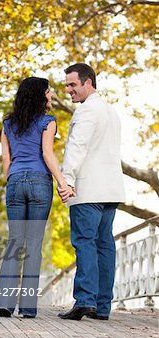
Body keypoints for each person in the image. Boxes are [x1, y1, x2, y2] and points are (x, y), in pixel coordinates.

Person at [0, 76, 74, 318]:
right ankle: (28, 308)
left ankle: (5, 304)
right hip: (40, 183)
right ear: (40, 95)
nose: (51, 96)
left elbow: (6, 161)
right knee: (34, 245)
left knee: (15, 242)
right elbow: (48, 155)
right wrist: (63, 184)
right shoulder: (48, 122)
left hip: (16, 182)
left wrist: (13, 179)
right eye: (49, 92)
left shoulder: (8, 124)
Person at [57, 63, 125, 320]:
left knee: (85, 242)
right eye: (67, 85)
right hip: (111, 189)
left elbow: (77, 146)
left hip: (89, 189)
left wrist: (66, 180)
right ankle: (102, 306)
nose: (69, 90)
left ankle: (85, 300)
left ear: (88, 83)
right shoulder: (111, 112)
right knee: (105, 245)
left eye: (73, 85)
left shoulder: (86, 111)